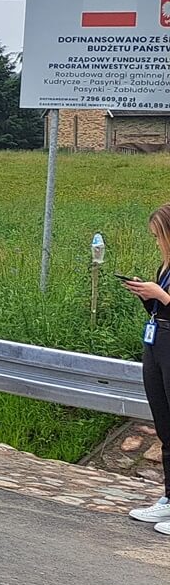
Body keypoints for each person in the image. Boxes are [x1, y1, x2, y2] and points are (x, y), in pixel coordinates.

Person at [122, 203, 170, 536]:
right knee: (165, 426)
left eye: (158, 237)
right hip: (157, 345)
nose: (156, 243)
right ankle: (168, 496)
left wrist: (162, 296)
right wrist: (147, 294)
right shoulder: (164, 267)